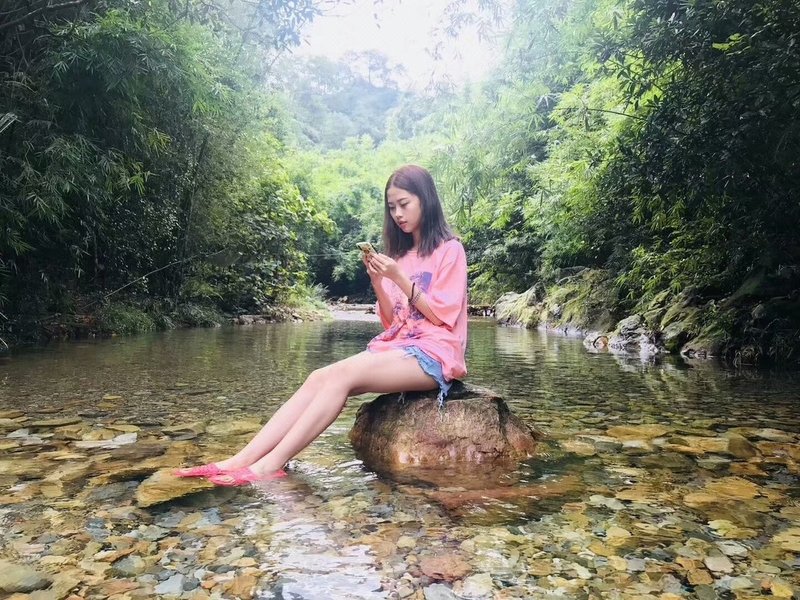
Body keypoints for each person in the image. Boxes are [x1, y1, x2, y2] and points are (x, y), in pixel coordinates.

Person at [175, 165, 468, 486]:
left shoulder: (450, 250)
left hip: (435, 355)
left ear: (425, 200)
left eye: (404, 204)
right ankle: (239, 460)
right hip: (402, 347)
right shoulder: (400, 255)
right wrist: (378, 281)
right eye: (391, 207)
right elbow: (392, 322)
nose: (397, 214)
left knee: (341, 377)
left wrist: (397, 277)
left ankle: (269, 466)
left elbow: (440, 316)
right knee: (319, 377)